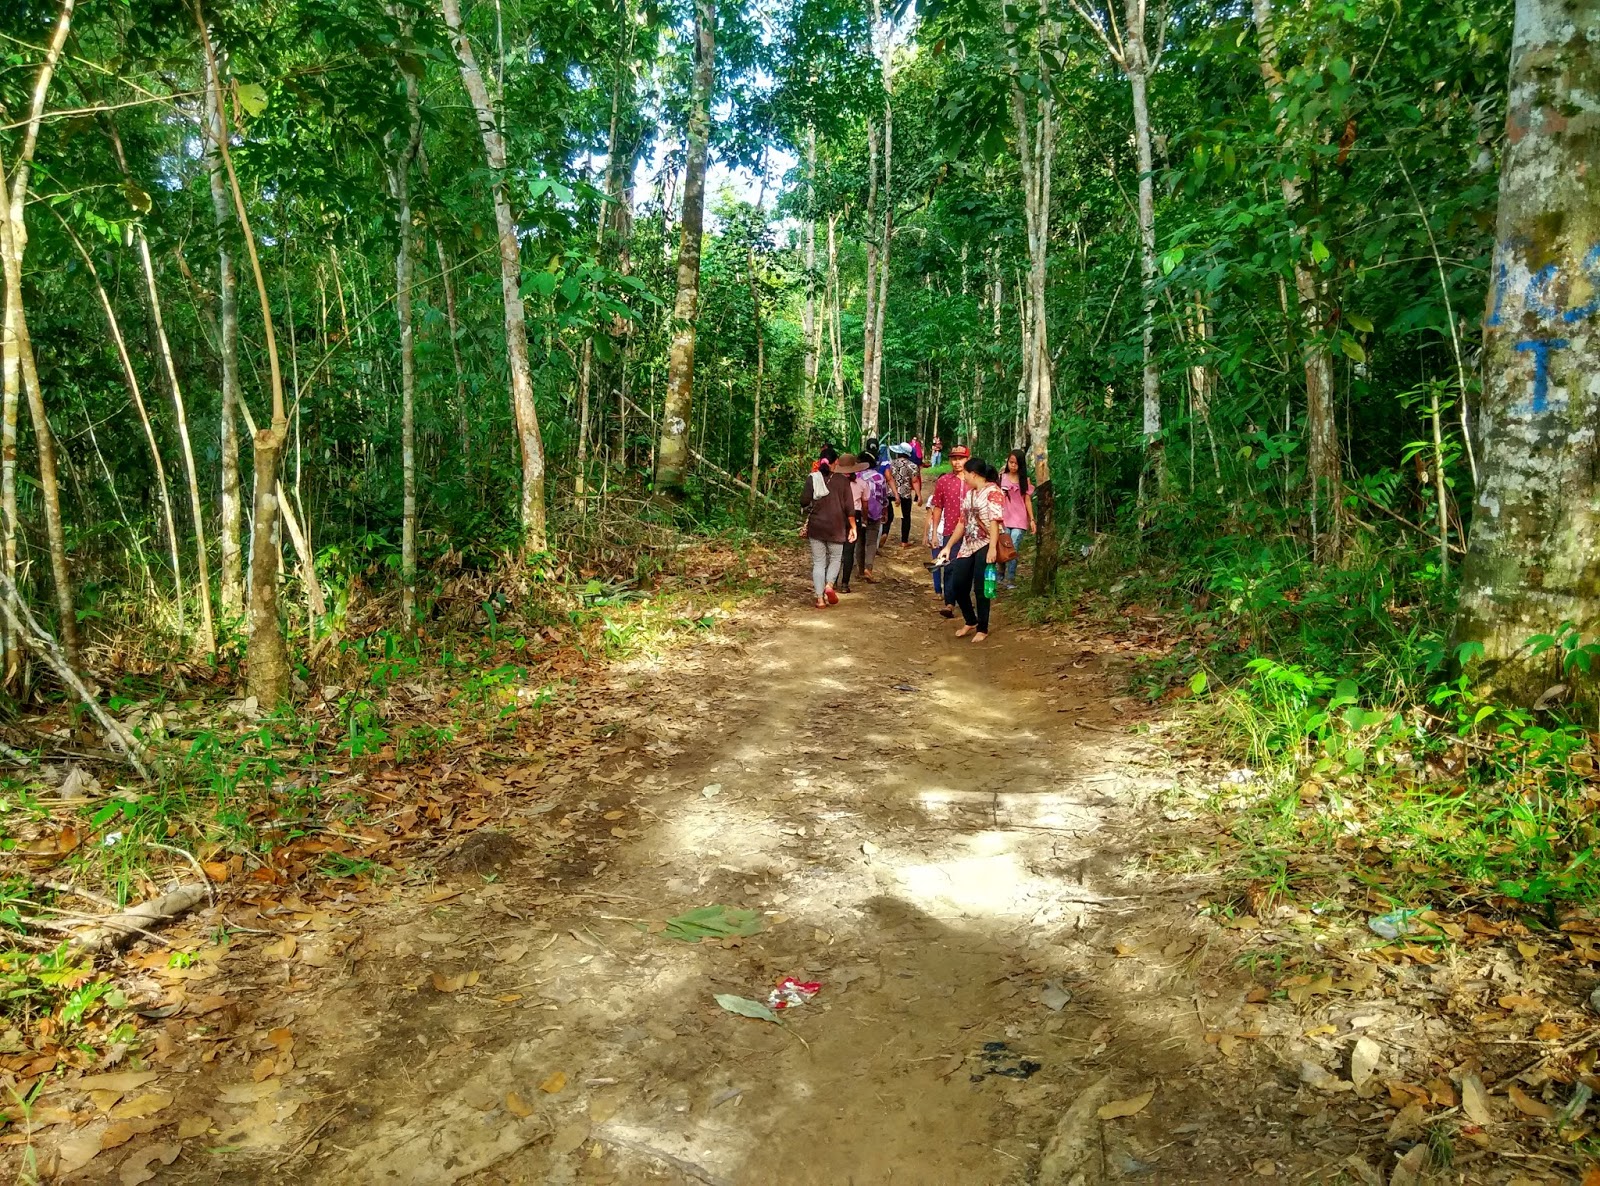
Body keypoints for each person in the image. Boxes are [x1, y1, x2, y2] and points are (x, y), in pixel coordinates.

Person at [935, 457, 1004, 642]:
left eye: (965, 474)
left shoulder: (993, 492)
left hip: (986, 543)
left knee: (981, 587)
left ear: (974, 474)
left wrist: (992, 549)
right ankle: (970, 620)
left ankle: (983, 627)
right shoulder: (970, 494)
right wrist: (948, 546)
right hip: (968, 545)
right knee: (958, 584)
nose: (963, 477)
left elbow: (995, 523)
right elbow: (962, 523)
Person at [800, 449, 861, 608]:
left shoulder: (812, 478)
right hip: (837, 526)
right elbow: (849, 508)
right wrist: (853, 527)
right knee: (835, 559)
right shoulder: (843, 481)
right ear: (836, 463)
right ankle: (829, 586)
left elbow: (803, 501)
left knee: (819, 562)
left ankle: (820, 599)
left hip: (817, 526)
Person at [925, 445, 968, 615]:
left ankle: (965, 599)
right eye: (954, 458)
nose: (957, 462)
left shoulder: (973, 481)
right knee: (949, 566)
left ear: (967, 460)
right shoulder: (944, 481)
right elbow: (937, 507)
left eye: (961, 458)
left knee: (967, 568)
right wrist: (935, 533)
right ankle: (949, 603)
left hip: (973, 533)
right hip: (950, 530)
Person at [999, 448, 1036, 590]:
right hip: (1003, 518)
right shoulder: (1001, 478)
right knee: (1003, 547)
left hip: (1019, 519)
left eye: (1016, 463)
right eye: (1010, 462)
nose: (1013, 466)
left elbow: (1027, 500)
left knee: (1013, 547)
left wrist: (1032, 519)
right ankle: (1000, 574)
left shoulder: (1024, 481)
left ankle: (1010, 578)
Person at [890, 443, 922, 547]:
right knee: (906, 517)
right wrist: (919, 496)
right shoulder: (912, 466)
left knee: (889, 516)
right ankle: (904, 541)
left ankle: (884, 534)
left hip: (891, 493)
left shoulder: (891, 464)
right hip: (905, 494)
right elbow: (915, 481)